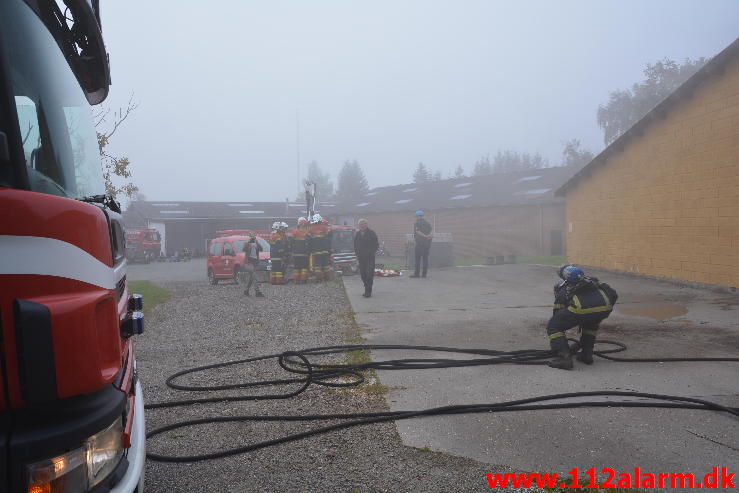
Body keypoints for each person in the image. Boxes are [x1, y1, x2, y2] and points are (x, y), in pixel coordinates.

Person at [546, 264, 618, 370]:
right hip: (604, 309)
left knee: (554, 326)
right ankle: (587, 355)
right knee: (590, 325)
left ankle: (565, 358)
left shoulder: (564, 288)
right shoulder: (594, 281)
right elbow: (613, 294)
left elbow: (557, 312)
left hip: (580, 310)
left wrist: (559, 336)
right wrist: (607, 306)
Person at [354, 218, 379, 298]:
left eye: (364, 224)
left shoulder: (371, 233)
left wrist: (371, 252)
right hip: (361, 258)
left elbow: (376, 245)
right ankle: (366, 287)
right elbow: (355, 245)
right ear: (359, 225)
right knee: (363, 275)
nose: (362, 225)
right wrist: (357, 253)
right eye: (361, 224)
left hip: (370, 258)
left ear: (366, 225)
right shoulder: (357, 234)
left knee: (369, 274)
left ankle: (368, 291)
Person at [308, 213, 332, 281]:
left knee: (317, 266)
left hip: (316, 251)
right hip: (325, 251)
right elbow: (330, 236)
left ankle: (319, 278)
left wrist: (309, 249)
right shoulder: (325, 228)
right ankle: (328, 278)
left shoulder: (311, 229)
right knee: (326, 265)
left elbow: (308, 240)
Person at [410, 210, 432, 278]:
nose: (415, 217)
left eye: (416, 216)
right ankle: (424, 274)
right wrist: (429, 236)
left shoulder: (417, 223)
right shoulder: (427, 223)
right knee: (425, 259)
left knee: (418, 259)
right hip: (427, 243)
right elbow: (431, 231)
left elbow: (418, 232)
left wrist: (425, 236)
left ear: (418, 216)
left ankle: (417, 274)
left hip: (420, 243)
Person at [241, 233, 264, 297]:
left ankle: (246, 290)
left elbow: (261, 249)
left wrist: (257, 243)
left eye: (254, 237)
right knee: (254, 276)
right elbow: (243, 249)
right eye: (252, 237)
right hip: (249, 262)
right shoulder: (247, 244)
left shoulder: (256, 244)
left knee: (251, 278)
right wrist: (249, 242)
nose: (253, 238)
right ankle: (258, 291)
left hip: (255, 262)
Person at [289, 217, 311, 283]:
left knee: (297, 268)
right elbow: (310, 243)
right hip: (305, 254)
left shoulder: (294, 232)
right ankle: (303, 280)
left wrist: (291, 251)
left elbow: (291, 242)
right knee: (304, 268)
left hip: (296, 254)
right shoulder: (308, 232)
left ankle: (296, 280)